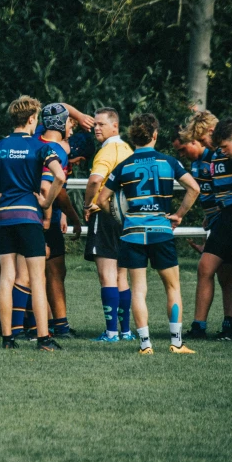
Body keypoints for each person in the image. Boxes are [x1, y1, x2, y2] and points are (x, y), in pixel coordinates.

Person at [0, 95, 66, 351]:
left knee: (7, 277)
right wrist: (45, 202)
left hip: (5, 217)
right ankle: (43, 339)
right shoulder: (40, 146)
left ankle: (8, 339)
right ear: (32, 119)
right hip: (29, 217)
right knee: (36, 279)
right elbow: (60, 176)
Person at [97, 113, 200, 355]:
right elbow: (193, 188)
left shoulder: (124, 166)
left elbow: (102, 199)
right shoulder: (169, 162)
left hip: (132, 233)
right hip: (160, 232)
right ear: (155, 135)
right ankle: (176, 343)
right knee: (172, 287)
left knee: (138, 289)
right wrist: (179, 214)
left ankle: (145, 345)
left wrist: (121, 219)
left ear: (133, 137)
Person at [174, 112, 232, 341]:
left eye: (202, 141)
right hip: (224, 220)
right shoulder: (215, 156)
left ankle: (231, 325)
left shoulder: (230, 150)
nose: (203, 146)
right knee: (209, 268)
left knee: (229, 273)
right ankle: (201, 326)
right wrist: (212, 213)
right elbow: (216, 190)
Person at [83, 108, 134, 342]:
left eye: (102, 124)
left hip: (104, 214)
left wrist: (87, 205)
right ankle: (125, 331)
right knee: (121, 276)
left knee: (107, 276)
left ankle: (111, 332)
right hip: (125, 217)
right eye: (95, 124)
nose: (96, 128)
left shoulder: (107, 151)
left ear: (115, 126)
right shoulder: (127, 149)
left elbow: (95, 180)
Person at [37, 103, 82, 337]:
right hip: (46, 217)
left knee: (30, 272)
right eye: (70, 124)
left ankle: (28, 322)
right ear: (61, 124)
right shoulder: (58, 150)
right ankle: (60, 325)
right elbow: (58, 190)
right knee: (55, 270)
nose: (71, 131)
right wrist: (73, 216)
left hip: (24, 215)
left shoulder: (34, 140)